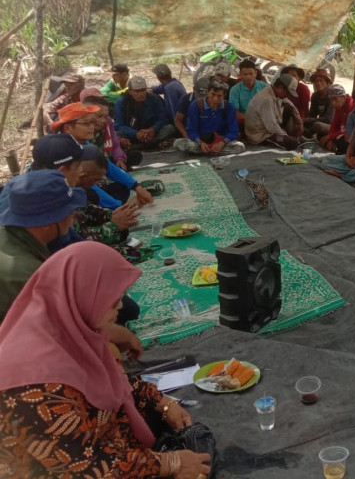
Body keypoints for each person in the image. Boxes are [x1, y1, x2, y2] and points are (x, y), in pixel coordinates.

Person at [0, 242, 212, 478]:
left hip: (109, 448)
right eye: (112, 299)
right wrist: (169, 463)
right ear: (80, 295)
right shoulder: (33, 384)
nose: (121, 306)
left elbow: (116, 381)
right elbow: (83, 467)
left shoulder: (70, 331)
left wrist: (161, 402)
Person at [0, 170, 86, 320]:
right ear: (47, 222)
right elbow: (60, 326)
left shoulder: (8, 234)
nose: (73, 215)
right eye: (68, 210)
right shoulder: (29, 272)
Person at [54, 103, 153, 209]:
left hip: (86, 189)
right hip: (66, 196)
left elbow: (107, 166)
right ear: (67, 128)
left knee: (121, 188)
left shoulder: (84, 143)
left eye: (92, 122)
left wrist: (136, 186)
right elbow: (86, 184)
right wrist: (118, 207)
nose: (92, 127)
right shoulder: (62, 151)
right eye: (86, 123)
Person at [175, 81, 245, 155]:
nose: (215, 99)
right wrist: (200, 142)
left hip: (221, 139)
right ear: (208, 92)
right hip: (201, 140)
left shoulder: (229, 107)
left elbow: (233, 131)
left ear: (224, 95)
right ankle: (211, 151)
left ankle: (209, 151)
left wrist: (222, 143)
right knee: (178, 143)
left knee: (239, 147)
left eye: (219, 96)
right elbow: (192, 130)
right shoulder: (196, 105)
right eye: (213, 94)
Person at [114, 75, 175, 149]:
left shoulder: (155, 99)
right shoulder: (121, 102)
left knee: (169, 128)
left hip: (151, 134)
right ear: (130, 91)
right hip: (131, 135)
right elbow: (118, 125)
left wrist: (153, 129)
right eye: (137, 91)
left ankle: (141, 146)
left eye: (143, 90)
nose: (141, 94)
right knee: (116, 134)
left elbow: (162, 119)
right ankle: (149, 145)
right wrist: (135, 133)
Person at [83, 93, 142, 169]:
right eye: (99, 116)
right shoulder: (80, 129)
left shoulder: (108, 122)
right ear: (86, 113)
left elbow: (115, 143)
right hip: (87, 161)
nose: (103, 120)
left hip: (104, 157)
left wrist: (119, 159)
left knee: (134, 156)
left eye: (105, 116)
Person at [244, 73, 303, 150]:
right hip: (260, 135)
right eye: (287, 93)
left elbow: (291, 105)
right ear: (281, 87)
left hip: (269, 129)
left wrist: (300, 122)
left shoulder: (276, 93)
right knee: (292, 143)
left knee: (288, 108)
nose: (287, 95)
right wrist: (285, 136)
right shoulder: (266, 99)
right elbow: (272, 127)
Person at [228, 59, 267, 127]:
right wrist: (251, 120)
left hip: (265, 122)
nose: (248, 77)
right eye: (245, 74)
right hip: (244, 123)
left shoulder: (265, 87)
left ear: (255, 73)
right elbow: (235, 112)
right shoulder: (235, 90)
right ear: (240, 74)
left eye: (251, 74)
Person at [320, 84, 355, 154]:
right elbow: (334, 123)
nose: (333, 103)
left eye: (335, 99)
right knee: (321, 135)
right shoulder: (339, 106)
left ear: (344, 97)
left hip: (351, 134)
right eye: (331, 100)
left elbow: (350, 130)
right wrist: (330, 138)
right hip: (342, 132)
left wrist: (330, 136)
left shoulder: (352, 106)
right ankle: (334, 145)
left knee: (343, 142)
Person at [303, 68, 336, 140]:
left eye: (321, 81)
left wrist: (310, 120)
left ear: (327, 83)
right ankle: (308, 134)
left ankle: (309, 134)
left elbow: (329, 119)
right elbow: (313, 114)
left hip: (332, 125)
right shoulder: (315, 96)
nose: (318, 83)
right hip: (320, 121)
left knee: (317, 125)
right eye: (316, 81)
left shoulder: (331, 96)